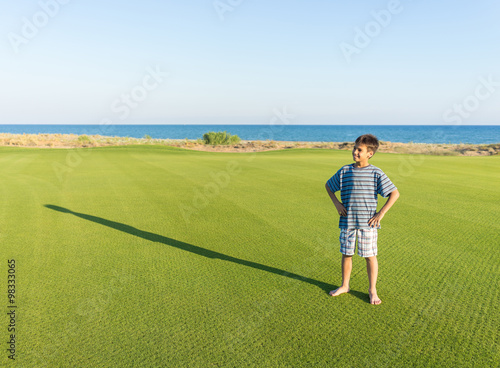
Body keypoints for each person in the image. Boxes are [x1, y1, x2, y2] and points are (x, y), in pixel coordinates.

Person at [325, 134, 399, 305]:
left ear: (370, 154)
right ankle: (345, 285)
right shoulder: (345, 171)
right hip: (347, 222)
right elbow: (329, 185)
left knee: (370, 256)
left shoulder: (376, 173)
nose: (355, 152)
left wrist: (380, 214)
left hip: (368, 224)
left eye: (359, 150)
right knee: (346, 254)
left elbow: (394, 193)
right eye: (354, 148)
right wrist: (337, 204)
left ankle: (372, 290)